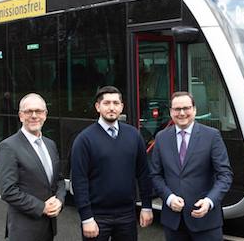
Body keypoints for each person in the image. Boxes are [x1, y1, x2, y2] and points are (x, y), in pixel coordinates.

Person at [71, 86, 153, 241]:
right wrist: (86, 218)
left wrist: (147, 206)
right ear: (97, 107)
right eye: (106, 103)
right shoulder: (84, 140)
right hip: (97, 216)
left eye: (116, 103)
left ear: (121, 107)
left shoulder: (133, 135)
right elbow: (79, 180)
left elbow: (143, 173)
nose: (111, 107)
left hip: (127, 215)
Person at [151, 91, 233, 241]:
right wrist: (168, 198)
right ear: (170, 112)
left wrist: (209, 201)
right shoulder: (161, 138)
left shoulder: (212, 136)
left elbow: (225, 175)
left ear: (194, 110)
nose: (182, 113)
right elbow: (155, 175)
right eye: (177, 109)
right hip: (173, 222)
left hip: (206, 221)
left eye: (186, 108)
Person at [0, 93, 66, 241]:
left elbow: (59, 180)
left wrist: (59, 200)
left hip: (48, 228)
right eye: (29, 111)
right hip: (24, 232)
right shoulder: (8, 147)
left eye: (39, 111)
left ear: (45, 115)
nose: (34, 116)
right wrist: (42, 207)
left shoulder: (50, 144)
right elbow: (8, 191)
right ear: (21, 116)